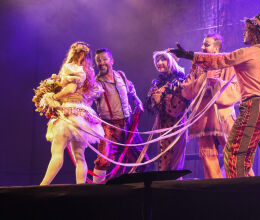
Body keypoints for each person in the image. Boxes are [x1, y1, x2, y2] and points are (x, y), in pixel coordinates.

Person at [171, 13, 260, 178]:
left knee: (234, 153)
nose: (244, 33)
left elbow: (220, 60)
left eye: (247, 30)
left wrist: (189, 55)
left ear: (255, 33)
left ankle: (241, 198)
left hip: (255, 107)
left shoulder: (248, 53)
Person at [40, 42, 104, 185]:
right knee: (80, 156)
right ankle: (81, 189)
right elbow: (88, 100)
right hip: (82, 114)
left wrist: (53, 97)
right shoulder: (89, 72)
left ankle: (42, 186)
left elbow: (70, 89)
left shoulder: (73, 68)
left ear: (75, 54)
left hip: (69, 112)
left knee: (57, 152)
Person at [181, 33, 243, 179]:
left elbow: (236, 91)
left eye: (206, 45)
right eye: (202, 44)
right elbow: (186, 90)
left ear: (216, 48)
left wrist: (217, 84)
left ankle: (242, 189)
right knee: (208, 160)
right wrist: (204, 79)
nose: (202, 47)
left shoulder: (228, 63)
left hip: (223, 119)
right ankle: (215, 193)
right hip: (203, 120)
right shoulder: (197, 66)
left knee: (234, 156)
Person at [93, 48, 147, 183]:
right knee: (103, 160)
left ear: (112, 61)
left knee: (142, 160)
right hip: (109, 126)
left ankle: (136, 192)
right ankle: (95, 194)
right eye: (98, 60)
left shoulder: (121, 75)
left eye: (104, 59)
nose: (101, 62)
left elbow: (130, 89)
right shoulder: (96, 82)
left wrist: (137, 100)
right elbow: (88, 97)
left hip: (128, 125)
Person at [146, 51, 188, 171]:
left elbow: (178, 109)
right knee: (163, 159)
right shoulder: (157, 83)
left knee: (173, 163)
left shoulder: (179, 81)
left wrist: (162, 99)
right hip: (162, 125)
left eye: (163, 59)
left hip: (175, 125)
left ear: (171, 61)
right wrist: (154, 98)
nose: (159, 63)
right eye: (157, 60)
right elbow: (150, 106)